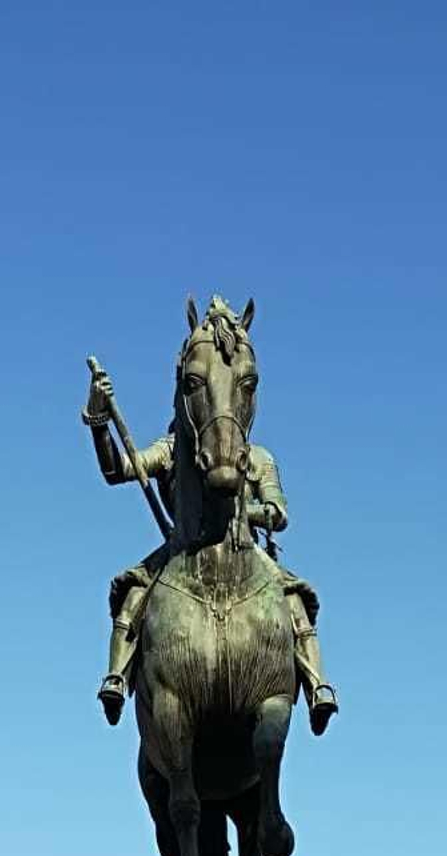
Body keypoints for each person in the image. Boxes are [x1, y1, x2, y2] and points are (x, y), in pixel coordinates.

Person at [83, 300, 339, 733]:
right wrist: (98, 419)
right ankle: (118, 675)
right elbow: (118, 471)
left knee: (293, 601)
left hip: (245, 547)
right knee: (132, 594)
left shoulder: (257, 458)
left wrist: (249, 512)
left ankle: (317, 684)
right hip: (182, 546)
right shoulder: (170, 450)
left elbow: (279, 513)